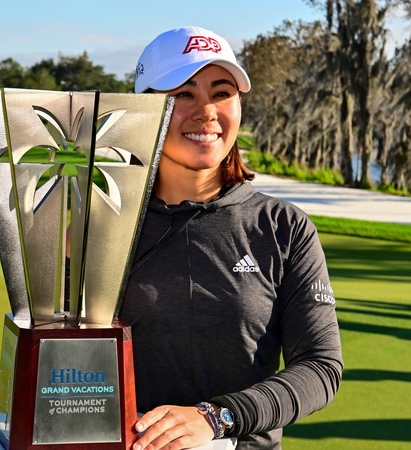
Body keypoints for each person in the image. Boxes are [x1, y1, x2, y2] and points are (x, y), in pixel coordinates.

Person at [119, 26, 343, 450]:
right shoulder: (105, 225)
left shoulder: (284, 227)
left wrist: (216, 417)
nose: (206, 111)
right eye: (183, 94)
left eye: (221, 93)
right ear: (144, 110)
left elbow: (321, 367)